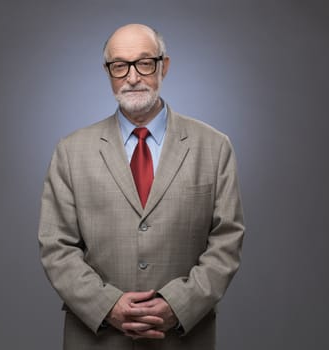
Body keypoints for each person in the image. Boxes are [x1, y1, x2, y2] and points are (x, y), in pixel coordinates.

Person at [38, 23, 245, 350]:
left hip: (182, 339)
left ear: (164, 66)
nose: (132, 77)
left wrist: (178, 305)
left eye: (144, 63)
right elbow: (56, 246)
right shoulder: (70, 150)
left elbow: (227, 240)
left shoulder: (214, 146)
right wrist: (109, 306)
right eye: (119, 66)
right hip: (97, 339)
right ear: (108, 73)